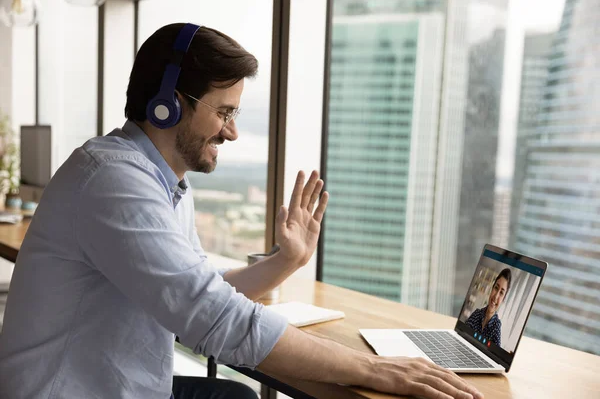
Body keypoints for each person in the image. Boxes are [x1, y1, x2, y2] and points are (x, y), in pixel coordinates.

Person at [0, 23, 483, 399]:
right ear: (168, 105)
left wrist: (285, 262)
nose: (231, 132)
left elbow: (199, 294)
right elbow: (211, 317)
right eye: (224, 112)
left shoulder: (161, 182)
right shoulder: (113, 181)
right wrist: (374, 368)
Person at [466, 268, 512, 347]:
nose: (496, 296)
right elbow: (462, 333)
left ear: (503, 299)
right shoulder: (476, 314)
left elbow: (495, 356)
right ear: (492, 288)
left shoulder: (496, 327)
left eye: (501, 293)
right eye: (496, 288)